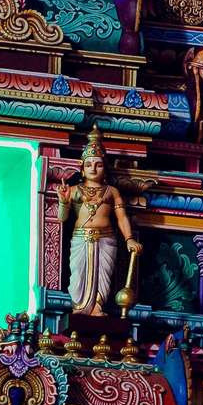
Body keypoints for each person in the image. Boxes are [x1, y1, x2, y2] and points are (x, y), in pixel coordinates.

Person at [58, 126, 141, 316]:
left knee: (102, 277)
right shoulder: (73, 190)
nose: (93, 169)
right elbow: (62, 218)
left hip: (106, 239)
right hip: (80, 238)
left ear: (105, 167)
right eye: (89, 165)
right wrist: (63, 202)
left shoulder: (112, 192)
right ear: (82, 168)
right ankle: (79, 306)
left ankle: (97, 306)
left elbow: (122, 217)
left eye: (98, 164)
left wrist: (129, 239)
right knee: (79, 275)